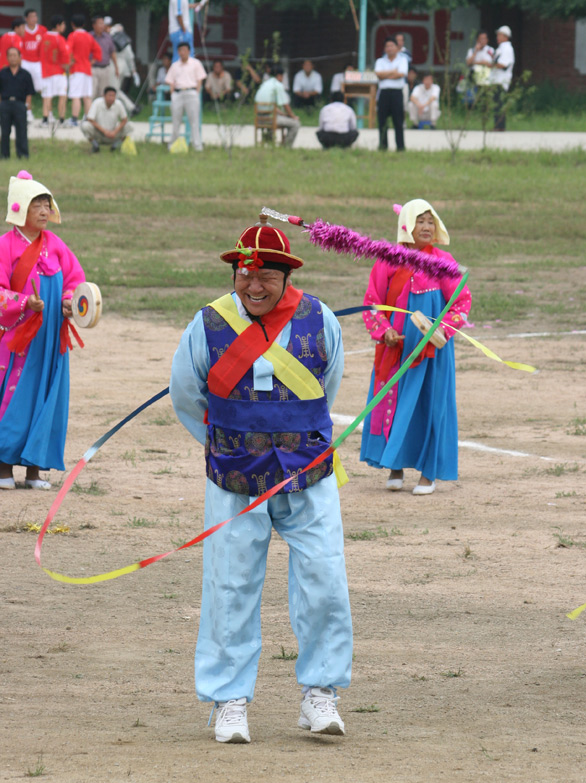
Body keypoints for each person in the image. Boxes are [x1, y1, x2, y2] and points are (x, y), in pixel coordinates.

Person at [170, 217, 353, 744]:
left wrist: (290, 438)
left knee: (325, 579)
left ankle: (320, 693)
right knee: (230, 584)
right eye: (245, 274)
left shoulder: (320, 320)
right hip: (233, 477)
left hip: (309, 473)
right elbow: (187, 397)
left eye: (266, 276)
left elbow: (327, 386)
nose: (254, 286)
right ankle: (229, 699)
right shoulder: (205, 326)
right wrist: (231, 442)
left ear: (285, 275)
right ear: (234, 275)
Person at [360, 199, 471, 496]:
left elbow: (460, 303)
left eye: (430, 221)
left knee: (429, 405)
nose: (426, 227)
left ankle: (428, 473)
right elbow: (373, 303)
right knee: (395, 405)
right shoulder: (387, 261)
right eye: (420, 221)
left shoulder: (442, 262)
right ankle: (395, 465)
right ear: (406, 225)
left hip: (431, 354)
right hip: (397, 351)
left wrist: (440, 331)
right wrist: (385, 332)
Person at [0, 170, 85, 490]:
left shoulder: (57, 245)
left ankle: (35, 470)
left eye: (47, 204)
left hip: (51, 340)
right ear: (20, 207)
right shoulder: (5, 246)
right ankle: (4, 468)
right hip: (19, 341)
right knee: (15, 398)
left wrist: (68, 303)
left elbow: (75, 281)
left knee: (48, 396)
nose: (45, 210)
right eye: (37, 204)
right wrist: (24, 304)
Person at [164, 41, 206, 152]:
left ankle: (197, 146)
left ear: (189, 51)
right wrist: (172, 93)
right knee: (176, 121)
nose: (182, 53)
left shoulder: (196, 63)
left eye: (184, 50)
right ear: (178, 52)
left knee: (194, 121)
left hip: (191, 92)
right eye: (180, 50)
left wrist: (196, 92)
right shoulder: (174, 65)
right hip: (178, 93)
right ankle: (172, 144)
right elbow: (170, 81)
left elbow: (200, 79)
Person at [66, 14, 102, 127]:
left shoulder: (73, 36)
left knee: (76, 95)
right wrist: (91, 62)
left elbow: (67, 50)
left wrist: (70, 61)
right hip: (87, 68)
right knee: (87, 96)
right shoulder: (89, 36)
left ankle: (74, 119)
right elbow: (98, 50)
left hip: (76, 69)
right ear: (84, 24)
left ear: (72, 24)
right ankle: (87, 118)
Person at [375, 37, 408, 152]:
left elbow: (401, 74)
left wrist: (386, 75)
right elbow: (378, 74)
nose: (389, 48)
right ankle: (383, 146)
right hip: (384, 93)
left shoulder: (402, 60)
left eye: (391, 46)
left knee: (398, 121)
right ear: (384, 49)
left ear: (396, 47)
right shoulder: (380, 61)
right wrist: (393, 71)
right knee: (382, 121)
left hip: (396, 93)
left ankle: (400, 147)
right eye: (387, 46)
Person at [0, 48, 35, 159]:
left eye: (15, 55)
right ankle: (4, 155)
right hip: (5, 104)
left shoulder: (25, 74)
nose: (13, 57)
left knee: (22, 131)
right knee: (5, 132)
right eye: (10, 55)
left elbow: (29, 93)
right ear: (7, 58)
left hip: (20, 104)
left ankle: (23, 154)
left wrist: (27, 108)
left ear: (20, 57)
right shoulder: (2, 73)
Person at [254, 64, 299, 147]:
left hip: (260, 118)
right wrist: (293, 116)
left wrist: (282, 114)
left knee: (281, 118)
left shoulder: (265, 84)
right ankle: (286, 147)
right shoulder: (278, 85)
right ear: (279, 76)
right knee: (295, 124)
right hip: (270, 119)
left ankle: (269, 142)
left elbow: (268, 106)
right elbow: (285, 104)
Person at [81, 86, 133, 153]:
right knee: (85, 125)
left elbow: (124, 119)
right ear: (104, 96)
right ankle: (95, 145)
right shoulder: (97, 102)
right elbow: (90, 119)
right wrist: (105, 131)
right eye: (110, 96)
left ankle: (116, 145)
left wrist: (115, 132)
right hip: (99, 134)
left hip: (114, 134)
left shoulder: (118, 104)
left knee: (130, 126)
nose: (112, 98)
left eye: (113, 96)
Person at [39, 15, 69, 128]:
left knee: (47, 96)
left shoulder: (43, 36)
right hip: (58, 72)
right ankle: (61, 120)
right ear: (58, 25)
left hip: (46, 72)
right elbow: (64, 54)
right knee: (62, 96)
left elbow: (38, 52)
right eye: (63, 24)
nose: (64, 27)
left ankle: (45, 120)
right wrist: (66, 67)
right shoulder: (59, 39)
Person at [21, 9, 46, 119]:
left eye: (35, 16)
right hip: (25, 62)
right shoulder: (22, 31)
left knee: (44, 88)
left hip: (38, 63)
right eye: (31, 16)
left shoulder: (42, 30)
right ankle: (28, 112)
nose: (33, 19)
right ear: (26, 19)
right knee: (26, 88)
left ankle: (47, 113)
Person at [490, 25, 515, 131]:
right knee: (496, 103)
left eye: (500, 35)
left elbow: (503, 64)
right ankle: (498, 125)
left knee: (499, 104)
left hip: (501, 80)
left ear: (506, 36)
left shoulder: (507, 48)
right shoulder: (501, 48)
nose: (498, 37)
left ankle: (499, 126)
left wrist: (490, 64)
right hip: (496, 79)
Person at [110, 23, 139, 96]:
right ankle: (131, 106)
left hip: (111, 66)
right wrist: (134, 72)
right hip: (121, 66)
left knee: (114, 89)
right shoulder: (124, 41)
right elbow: (130, 57)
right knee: (115, 89)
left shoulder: (109, 37)